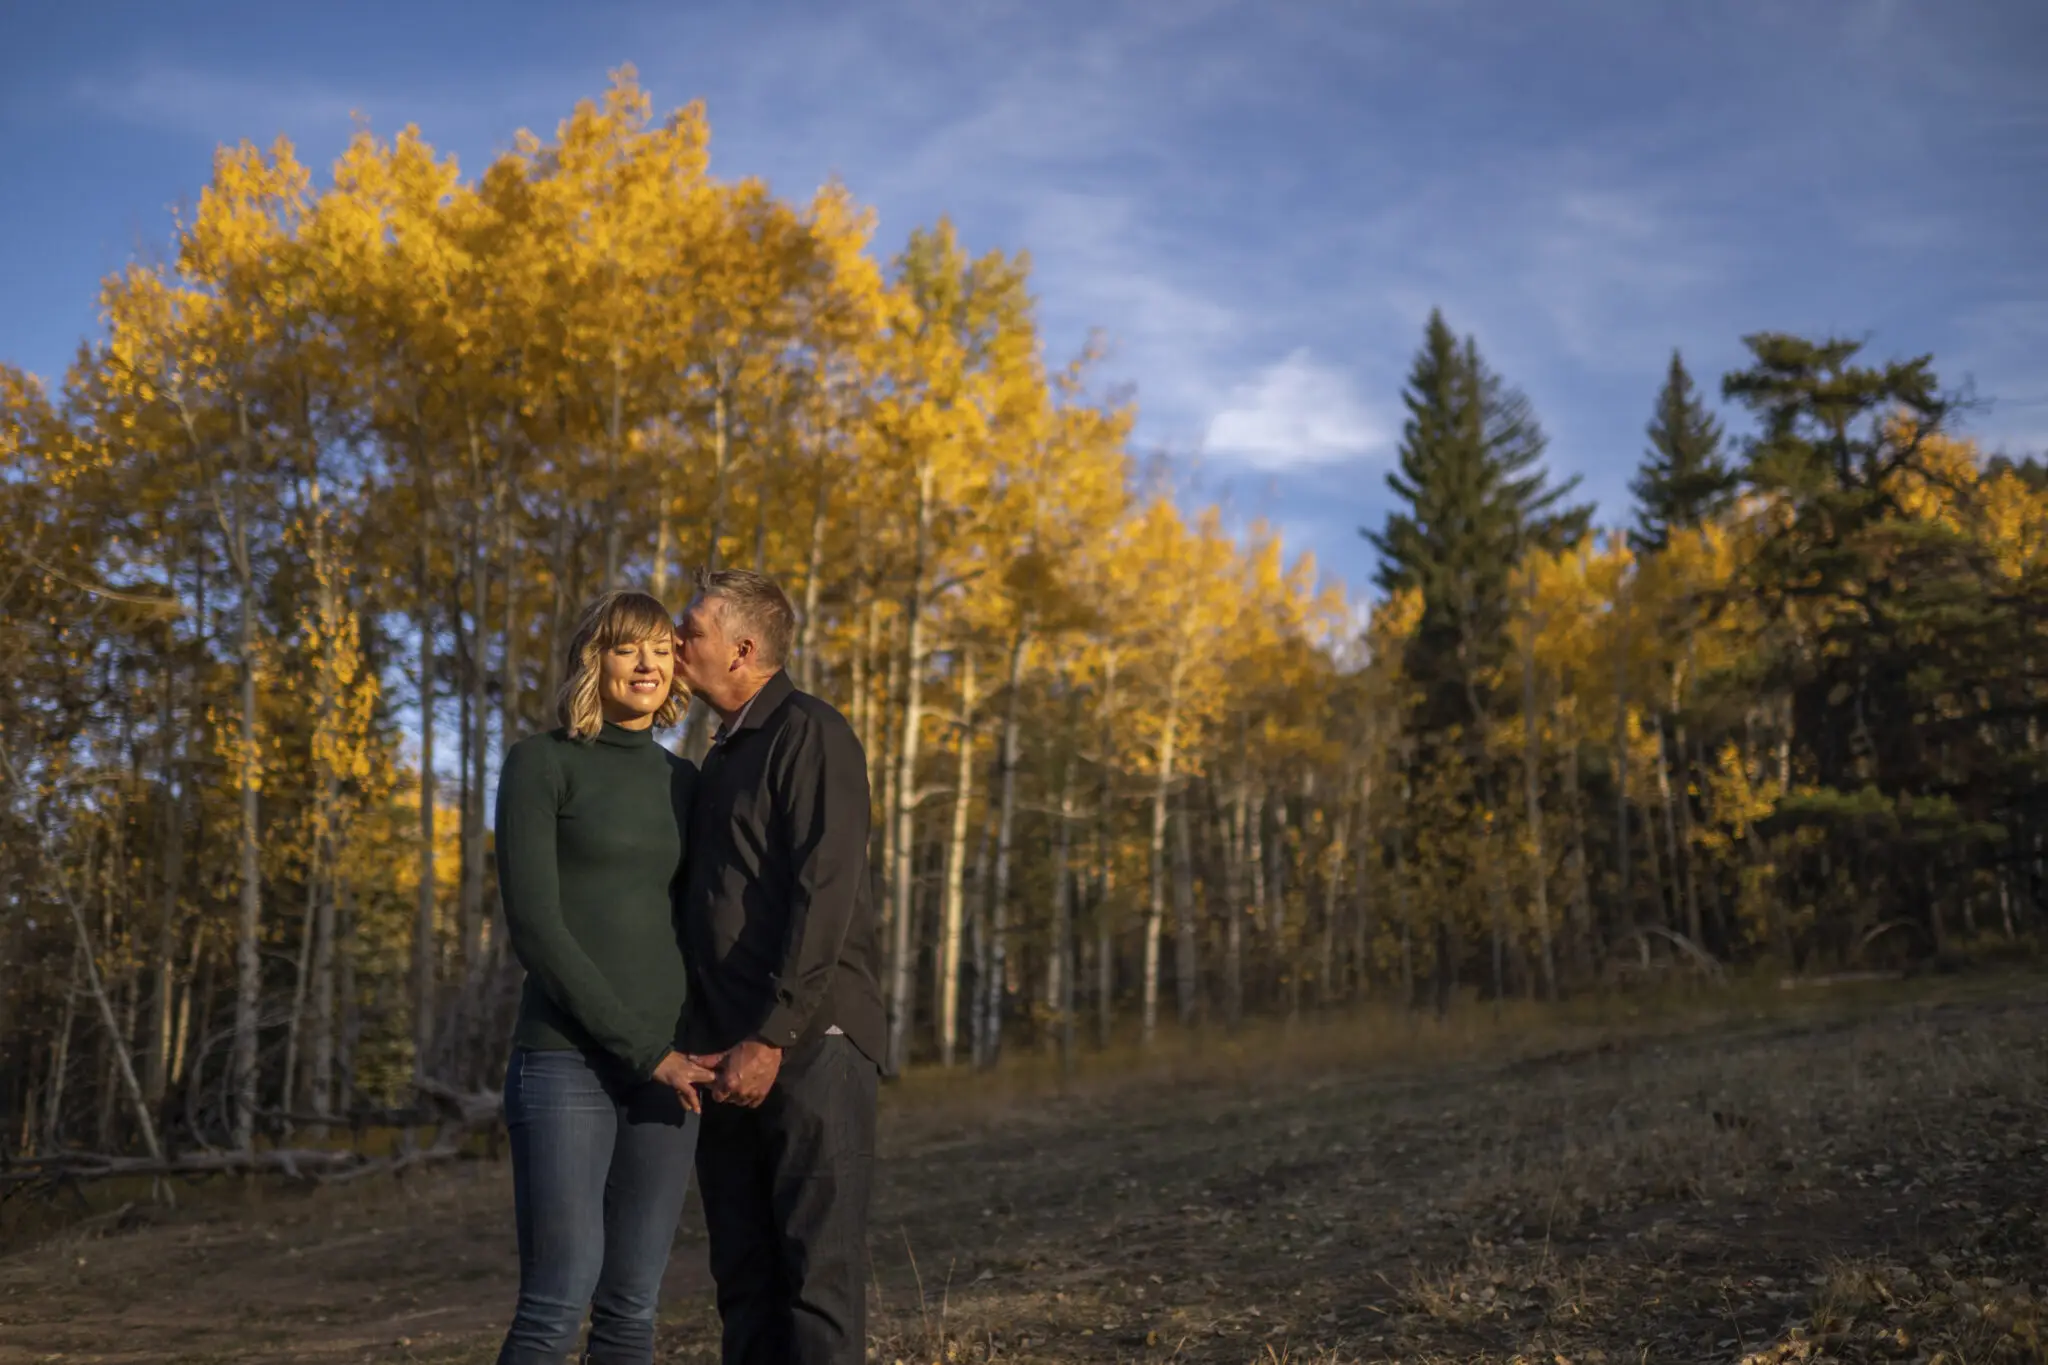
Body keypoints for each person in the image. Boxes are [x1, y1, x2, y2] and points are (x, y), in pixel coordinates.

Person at [493, 589, 721, 1365]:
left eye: (661, 647)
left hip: (669, 1074)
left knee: (632, 1310)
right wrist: (640, 1046)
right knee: (557, 1299)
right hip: (566, 1060)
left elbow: (701, 926)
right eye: (628, 647)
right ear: (595, 659)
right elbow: (537, 927)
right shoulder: (540, 764)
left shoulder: (685, 783)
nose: (648, 662)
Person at [674, 568, 885, 1365]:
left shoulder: (810, 731)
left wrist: (773, 1035)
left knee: (815, 1279)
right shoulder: (721, 753)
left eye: (690, 627)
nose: (674, 639)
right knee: (745, 1281)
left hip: (809, 1044)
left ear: (743, 648)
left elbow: (826, 890)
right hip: (723, 1052)